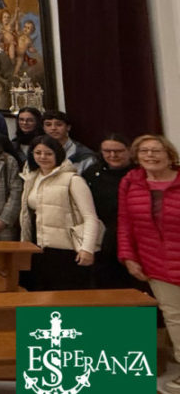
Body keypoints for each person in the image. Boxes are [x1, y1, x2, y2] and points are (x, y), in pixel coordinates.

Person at [117, 135, 180, 389]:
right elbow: (125, 223)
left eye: (156, 151)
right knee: (174, 316)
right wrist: (129, 257)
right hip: (155, 261)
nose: (150, 155)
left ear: (169, 155)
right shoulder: (130, 183)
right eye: (144, 151)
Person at [19, 135, 100, 290]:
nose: (43, 157)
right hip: (39, 246)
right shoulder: (32, 178)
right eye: (38, 153)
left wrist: (87, 249)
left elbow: (90, 217)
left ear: (58, 154)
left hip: (67, 250)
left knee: (69, 301)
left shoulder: (72, 179)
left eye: (48, 153)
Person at [83, 134, 137, 288]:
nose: (112, 155)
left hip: (133, 237)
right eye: (107, 151)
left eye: (118, 151)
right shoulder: (92, 173)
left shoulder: (139, 173)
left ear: (129, 151)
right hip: (102, 239)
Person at [42, 110, 97, 174]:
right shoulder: (39, 152)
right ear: (44, 128)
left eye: (59, 124)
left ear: (68, 127)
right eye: (48, 125)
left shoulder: (84, 156)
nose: (53, 128)